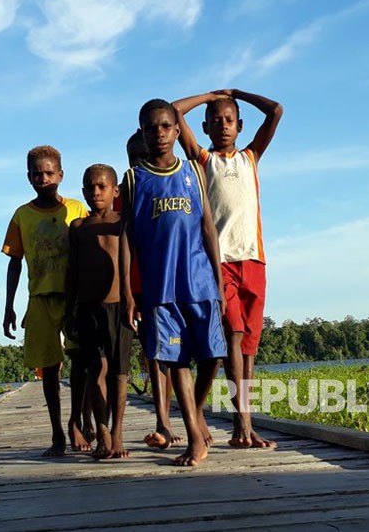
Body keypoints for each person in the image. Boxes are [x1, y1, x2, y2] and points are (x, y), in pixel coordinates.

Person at [173, 89, 283, 448]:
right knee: (233, 335)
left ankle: (242, 423)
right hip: (219, 264)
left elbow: (276, 110)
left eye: (229, 119)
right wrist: (210, 96)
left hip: (254, 260)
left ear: (239, 125)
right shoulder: (202, 160)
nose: (222, 125)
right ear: (205, 126)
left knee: (248, 348)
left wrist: (236, 94)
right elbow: (175, 111)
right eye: (216, 120)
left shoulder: (250, 157)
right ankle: (243, 425)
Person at [120, 99, 227, 467]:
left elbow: (208, 226)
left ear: (177, 130)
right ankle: (196, 438)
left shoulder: (193, 171)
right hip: (160, 287)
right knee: (176, 359)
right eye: (151, 129)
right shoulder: (134, 178)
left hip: (198, 279)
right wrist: (128, 293)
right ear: (142, 133)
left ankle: (194, 414)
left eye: (165, 127)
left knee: (214, 354)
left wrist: (219, 278)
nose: (159, 134)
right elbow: (127, 238)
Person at [2, 145, 90, 457]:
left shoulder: (77, 210)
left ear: (61, 175)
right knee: (50, 369)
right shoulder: (22, 216)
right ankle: (56, 434)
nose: (43, 178)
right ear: (28, 177)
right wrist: (9, 307)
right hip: (38, 299)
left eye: (49, 172)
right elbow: (14, 261)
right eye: (37, 174)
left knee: (81, 362)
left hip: (74, 299)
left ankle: (76, 422)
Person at [66, 164, 133, 459]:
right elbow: (72, 272)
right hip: (88, 308)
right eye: (90, 187)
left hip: (120, 306)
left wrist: (134, 301)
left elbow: (132, 267)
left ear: (115, 191)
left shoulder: (123, 222)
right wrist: (70, 310)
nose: (96, 192)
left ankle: (117, 432)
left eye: (102, 187)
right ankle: (102, 430)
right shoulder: (78, 228)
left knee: (119, 373)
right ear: (83, 192)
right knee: (96, 369)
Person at [125, 129, 182, 449]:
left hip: (164, 284)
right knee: (150, 354)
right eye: (134, 158)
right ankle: (159, 419)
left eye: (144, 157)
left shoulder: (167, 190)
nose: (140, 163)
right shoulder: (125, 191)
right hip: (133, 287)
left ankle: (166, 418)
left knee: (166, 355)